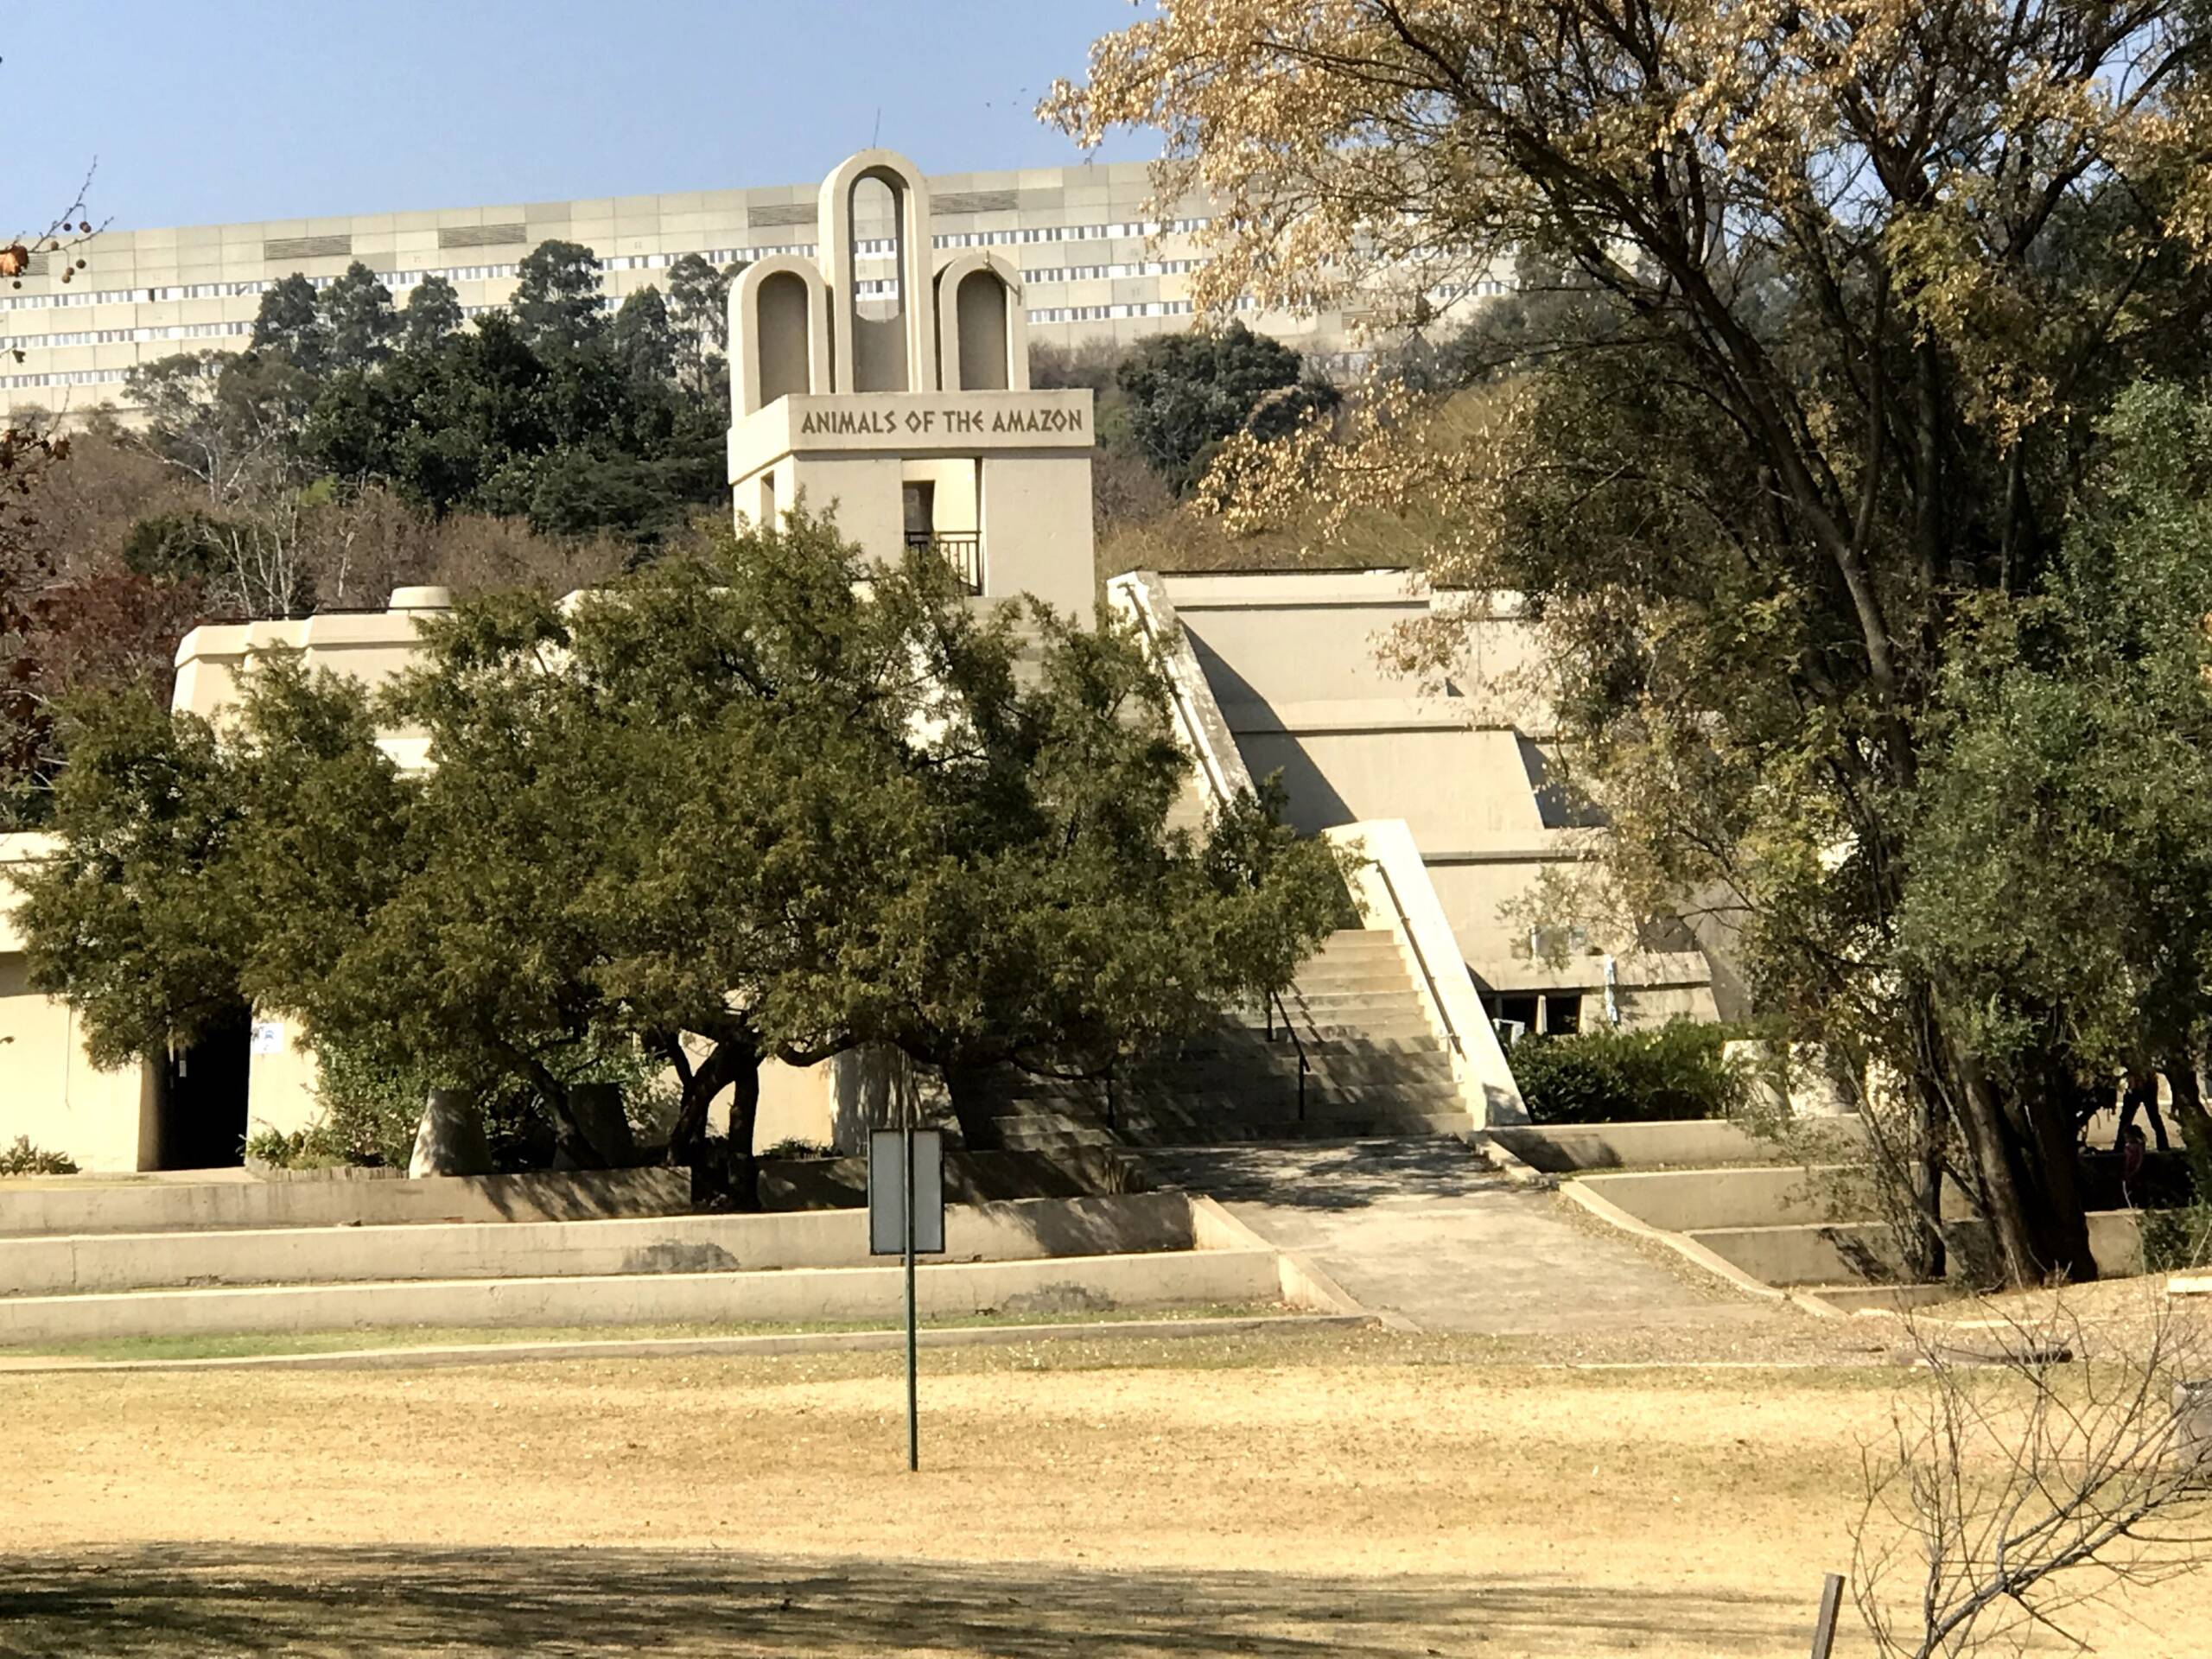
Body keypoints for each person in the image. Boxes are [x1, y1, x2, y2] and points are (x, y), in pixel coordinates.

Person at [2116, 1068, 2171, 1153]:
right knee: (2127, 1119)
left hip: (2144, 1084)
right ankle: (2119, 1147)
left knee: (2153, 1118)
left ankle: (2163, 1146)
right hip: (2138, 1085)